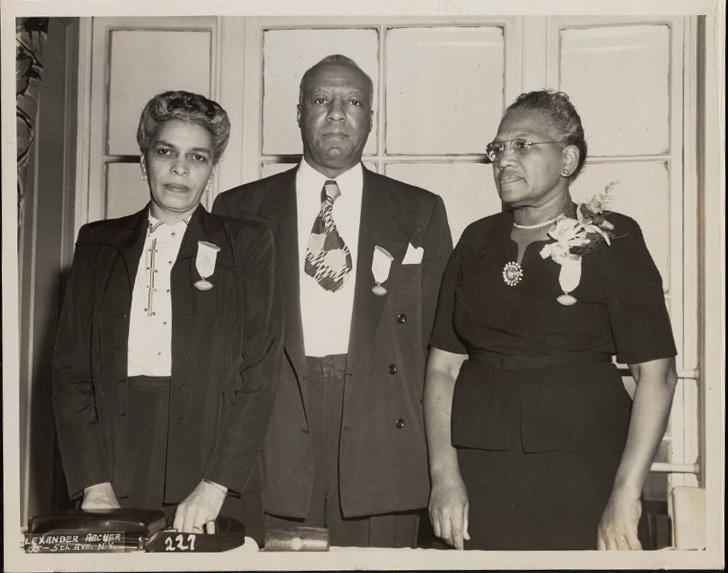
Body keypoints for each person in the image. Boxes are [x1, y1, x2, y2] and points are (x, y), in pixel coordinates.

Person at [213, 54, 452, 547]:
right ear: (299, 112)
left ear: (371, 118)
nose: (338, 113)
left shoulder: (420, 210)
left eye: (354, 101)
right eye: (322, 99)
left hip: (382, 436)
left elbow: (440, 348)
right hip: (275, 429)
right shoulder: (239, 209)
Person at [424, 90, 678, 551]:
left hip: (583, 474)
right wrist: (444, 478)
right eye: (498, 148)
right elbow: (443, 367)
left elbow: (656, 373)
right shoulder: (476, 241)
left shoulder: (614, 238)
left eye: (523, 145)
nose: (504, 160)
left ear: (567, 158)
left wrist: (625, 495)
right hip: (479, 473)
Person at [53, 90, 281, 543]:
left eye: (197, 156)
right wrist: (93, 483)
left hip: (215, 468)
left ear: (211, 169)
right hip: (113, 463)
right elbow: (70, 373)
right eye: (165, 152)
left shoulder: (249, 244)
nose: (180, 168)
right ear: (144, 163)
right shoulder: (98, 244)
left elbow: (260, 374)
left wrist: (215, 485)